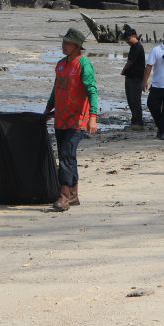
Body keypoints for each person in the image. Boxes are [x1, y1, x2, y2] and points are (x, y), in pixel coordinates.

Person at [44, 28, 98, 212]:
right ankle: (73, 195)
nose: (63, 45)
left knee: (66, 156)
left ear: (76, 47)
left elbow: (92, 91)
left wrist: (93, 117)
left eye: (67, 43)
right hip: (60, 119)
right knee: (68, 156)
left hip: (77, 120)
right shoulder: (60, 64)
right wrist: (48, 107)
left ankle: (64, 196)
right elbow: (56, 88)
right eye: (63, 42)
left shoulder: (83, 64)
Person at [120, 26, 145, 131]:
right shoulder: (133, 47)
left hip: (136, 78)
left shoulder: (138, 47)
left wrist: (123, 70)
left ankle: (138, 122)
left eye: (128, 39)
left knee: (135, 100)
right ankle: (135, 121)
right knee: (131, 100)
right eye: (126, 39)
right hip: (130, 77)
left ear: (134, 36)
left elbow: (130, 62)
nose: (127, 41)